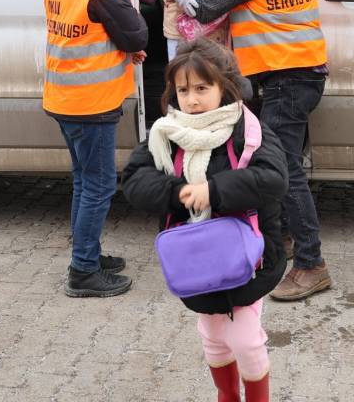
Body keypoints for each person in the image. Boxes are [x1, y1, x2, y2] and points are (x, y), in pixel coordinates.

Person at [172, 0, 331, 302]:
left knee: (285, 170)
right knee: (282, 161)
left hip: (286, 76)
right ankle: (290, 237)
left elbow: (209, 6)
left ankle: (311, 265)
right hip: (302, 71)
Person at [122, 39, 287, 402]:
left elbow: (274, 179)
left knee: (244, 339)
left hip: (250, 259)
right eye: (183, 90)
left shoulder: (247, 129)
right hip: (196, 262)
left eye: (202, 88)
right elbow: (133, 180)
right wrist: (177, 192)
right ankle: (226, 396)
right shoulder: (166, 132)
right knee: (213, 338)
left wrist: (214, 190)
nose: (192, 100)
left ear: (224, 87)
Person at [43, 0, 148, 297]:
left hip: (63, 96)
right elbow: (136, 34)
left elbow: (85, 29)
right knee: (99, 185)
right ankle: (83, 272)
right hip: (91, 101)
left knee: (83, 182)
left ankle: (88, 253)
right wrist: (131, 45)